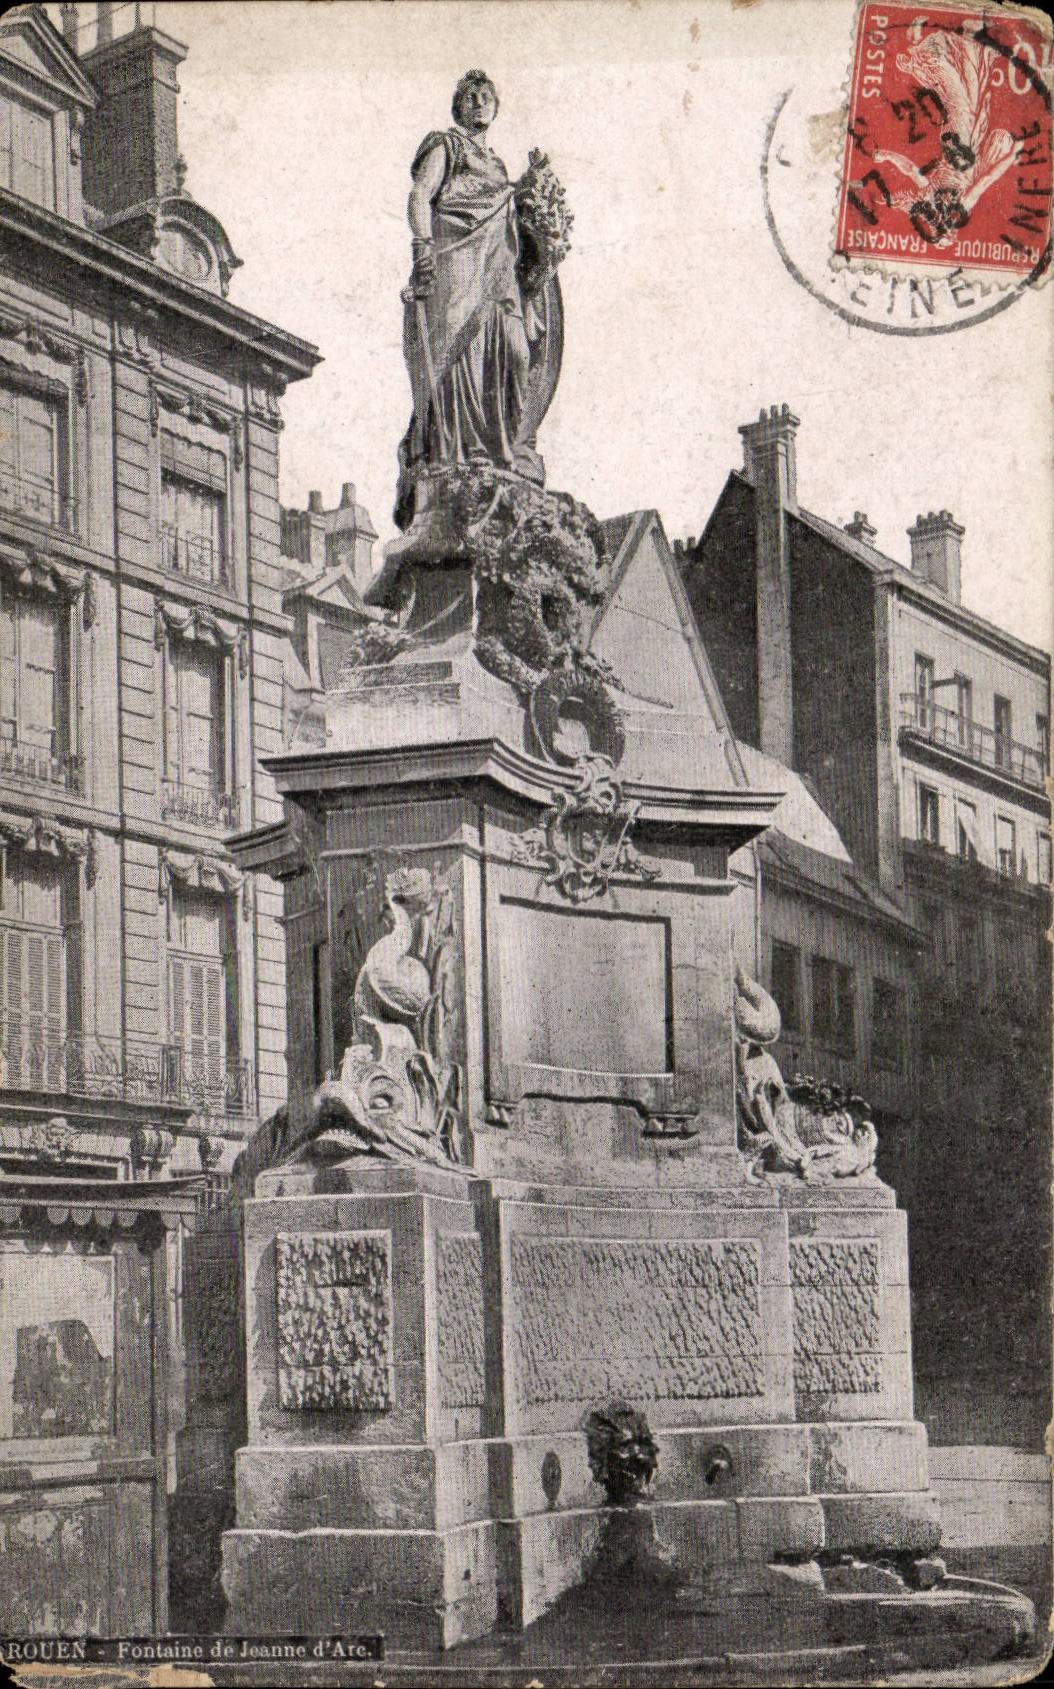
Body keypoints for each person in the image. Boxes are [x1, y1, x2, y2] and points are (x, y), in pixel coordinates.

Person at [395, 70, 560, 530]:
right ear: (459, 105)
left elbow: (520, 221)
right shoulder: (445, 145)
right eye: (471, 96)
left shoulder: (501, 167)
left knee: (515, 351)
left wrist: (532, 188)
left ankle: (502, 448)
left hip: (499, 270)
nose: (480, 103)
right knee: (458, 356)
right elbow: (421, 193)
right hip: (458, 259)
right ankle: (457, 450)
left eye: (488, 96)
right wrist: (422, 244)